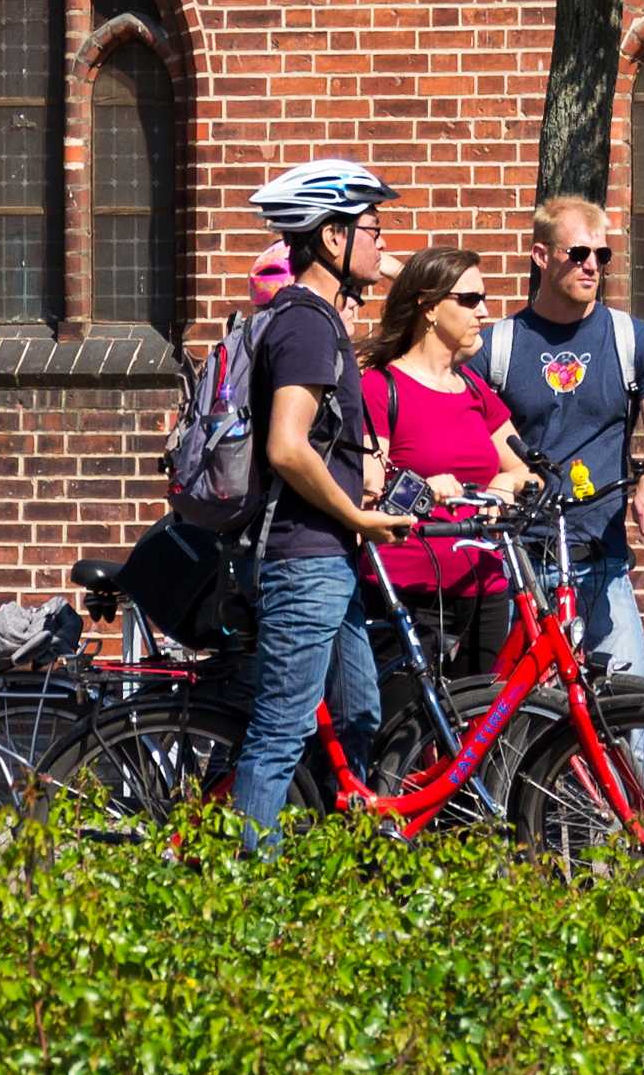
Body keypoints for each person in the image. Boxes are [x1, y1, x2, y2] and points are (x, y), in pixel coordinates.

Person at [229, 160, 416, 848]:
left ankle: (335, 862)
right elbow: (287, 446)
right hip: (303, 560)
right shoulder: (307, 325)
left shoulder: (312, 317)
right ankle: (248, 892)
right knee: (279, 733)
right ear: (333, 239)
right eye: (373, 228)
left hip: (326, 557)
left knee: (359, 712)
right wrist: (357, 514)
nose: (382, 243)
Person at [488, 194, 644, 684]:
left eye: (602, 255)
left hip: (601, 559)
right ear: (541, 255)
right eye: (578, 253)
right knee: (510, 714)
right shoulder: (497, 346)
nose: (592, 265)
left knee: (632, 713)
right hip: (519, 564)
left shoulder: (634, 340)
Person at [357, 248, 537, 638]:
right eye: (470, 300)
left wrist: (504, 485)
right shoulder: (380, 386)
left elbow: (526, 467)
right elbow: (368, 495)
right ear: (429, 307)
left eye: (483, 299)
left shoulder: (474, 388)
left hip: (485, 585)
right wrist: (423, 488)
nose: (483, 312)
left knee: (496, 683)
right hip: (406, 590)